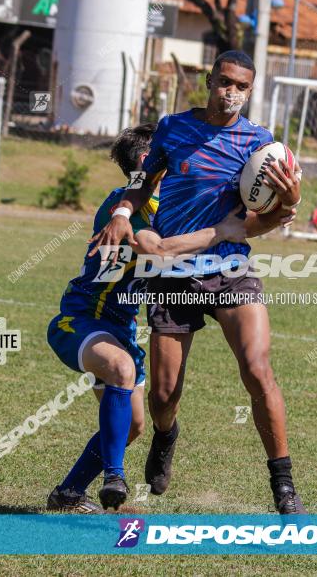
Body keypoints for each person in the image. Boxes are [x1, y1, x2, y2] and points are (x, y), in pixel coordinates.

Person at [88, 50, 307, 514]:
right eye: (224, 82)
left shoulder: (259, 142)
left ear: (250, 90)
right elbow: (142, 181)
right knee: (164, 395)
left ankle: (284, 486)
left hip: (230, 271)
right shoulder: (172, 128)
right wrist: (125, 211)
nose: (231, 93)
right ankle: (166, 435)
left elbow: (272, 215)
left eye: (241, 87)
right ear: (209, 81)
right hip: (171, 277)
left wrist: (289, 199)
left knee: (258, 369)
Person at [45, 123, 249, 513]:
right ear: (147, 160)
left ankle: (69, 492)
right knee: (121, 369)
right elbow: (160, 251)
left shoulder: (168, 209)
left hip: (121, 327)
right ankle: (114, 478)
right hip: (82, 319)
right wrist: (221, 230)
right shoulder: (120, 205)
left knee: (135, 424)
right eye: (171, 152)